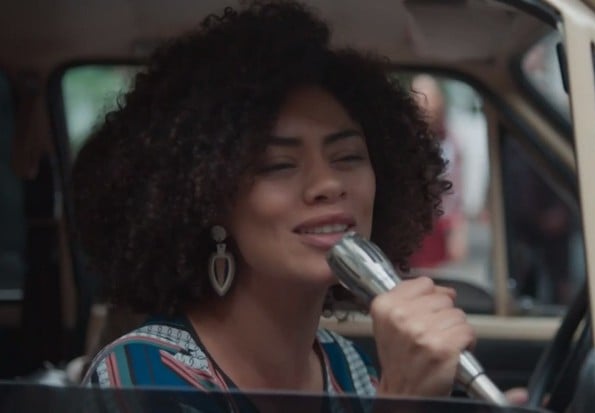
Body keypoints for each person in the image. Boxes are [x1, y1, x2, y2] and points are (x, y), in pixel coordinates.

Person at [73, 0, 476, 404]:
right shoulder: (139, 375)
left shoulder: (349, 366)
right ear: (208, 198)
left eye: (348, 157)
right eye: (279, 165)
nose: (328, 183)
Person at [408, 74, 468, 267]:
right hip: (410, 224)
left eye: (432, 103)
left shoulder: (450, 142)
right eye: (421, 104)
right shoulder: (403, 142)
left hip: (439, 227)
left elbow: (456, 190)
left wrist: (458, 228)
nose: (427, 110)